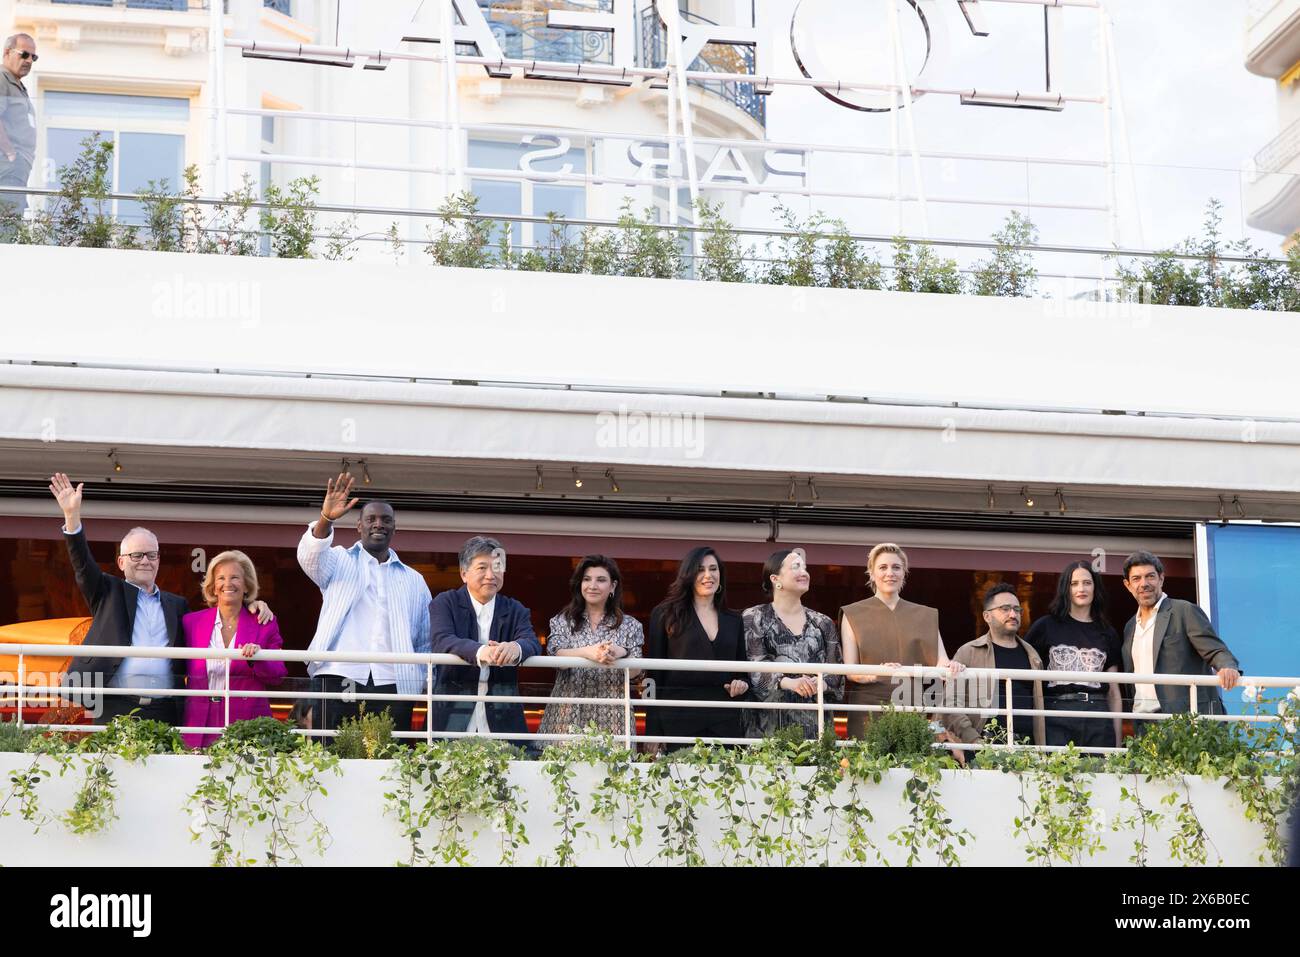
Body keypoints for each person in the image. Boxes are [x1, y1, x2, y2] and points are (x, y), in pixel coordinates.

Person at [48, 472, 272, 724]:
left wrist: (249, 603)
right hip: (116, 706)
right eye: (137, 555)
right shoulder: (107, 592)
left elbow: (212, 620)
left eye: (152, 555)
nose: (145, 560)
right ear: (121, 562)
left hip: (166, 709)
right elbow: (82, 564)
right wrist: (71, 516)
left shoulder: (177, 605)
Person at [298, 472, 431, 736]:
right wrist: (326, 518)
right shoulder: (338, 561)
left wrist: (426, 684)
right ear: (359, 526)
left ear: (394, 528)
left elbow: (425, 639)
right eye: (371, 519)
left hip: (395, 681)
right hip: (338, 674)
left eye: (386, 520)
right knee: (332, 757)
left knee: (389, 764)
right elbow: (310, 557)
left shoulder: (415, 580)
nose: (378, 524)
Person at [840, 543, 963, 739]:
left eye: (896, 567)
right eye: (883, 567)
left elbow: (942, 662)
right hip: (867, 708)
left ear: (904, 573)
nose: (890, 573)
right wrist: (876, 674)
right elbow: (851, 670)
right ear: (871, 573)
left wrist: (953, 666)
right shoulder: (852, 613)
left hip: (911, 706)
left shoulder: (925, 615)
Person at [429, 535, 542, 745]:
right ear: (464, 573)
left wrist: (515, 648)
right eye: (482, 567)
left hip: (502, 714)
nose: (491, 575)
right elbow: (442, 639)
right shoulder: (445, 602)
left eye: (497, 567)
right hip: (454, 710)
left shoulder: (514, 608)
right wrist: (482, 652)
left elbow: (532, 642)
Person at [644, 546, 749, 750]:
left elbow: (743, 672)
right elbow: (652, 676)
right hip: (678, 723)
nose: (708, 575)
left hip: (725, 725)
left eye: (713, 569)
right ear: (689, 575)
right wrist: (652, 731)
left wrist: (741, 684)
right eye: (700, 570)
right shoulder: (665, 614)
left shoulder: (734, 620)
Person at [180, 550, 286, 749]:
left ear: (246, 585)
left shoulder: (264, 622)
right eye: (221, 578)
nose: (227, 583)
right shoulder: (191, 622)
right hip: (200, 722)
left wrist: (257, 658)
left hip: (249, 723)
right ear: (213, 587)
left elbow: (279, 674)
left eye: (235, 577)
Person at [1121, 550, 1240, 724]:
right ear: (1128, 585)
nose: (1144, 583)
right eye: (1136, 578)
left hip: (1184, 721)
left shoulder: (1184, 611)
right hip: (1144, 722)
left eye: (1150, 576)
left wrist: (1227, 666)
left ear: (1161, 578)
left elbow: (1215, 649)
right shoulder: (1130, 626)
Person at [538, 555, 644, 738]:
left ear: (613, 586)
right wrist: (589, 652)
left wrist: (621, 652)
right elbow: (556, 657)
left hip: (613, 718)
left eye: (601, 580)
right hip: (566, 715)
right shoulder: (562, 620)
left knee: (612, 766)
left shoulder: (630, 625)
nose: (592, 585)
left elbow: (637, 671)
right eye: (587, 579)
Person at [743, 548, 843, 740]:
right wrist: (788, 682)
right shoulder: (754, 617)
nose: (804, 572)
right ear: (775, 579)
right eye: (796, 567)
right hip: (769, 726)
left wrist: (821, 682)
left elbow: (836, 671)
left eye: (805, 568)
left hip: (816, 723)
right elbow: (754, 666)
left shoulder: (823, 622)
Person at [1024, 561, 1123, 749]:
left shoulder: (1107, 632)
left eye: (1087, 582)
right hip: (1056, 714)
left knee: (1100, 775)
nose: (1081, 588)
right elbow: (1027, 676)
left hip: (1098, 717)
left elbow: (1113, 690)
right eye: (1074, 583)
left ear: (1095, 587)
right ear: (1065, 588)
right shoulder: (1046, 626)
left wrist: (1118, 743)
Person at [944, 583, 1046, 748]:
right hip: (983, 748)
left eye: (1017, 609)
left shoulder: (1032, 655)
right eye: (1005, 609)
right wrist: (974, 741)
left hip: (1027, 749)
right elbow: (951, 702)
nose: (1013, 614)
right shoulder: (969, 651)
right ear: (987, 616)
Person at [0, 34, 36, 232]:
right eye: (24, 54)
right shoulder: (2, 79)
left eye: (33, 57)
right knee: (6, 228)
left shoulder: (18, 86)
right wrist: (11, 154)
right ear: (7, 52)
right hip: (8, 167)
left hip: (16, 168)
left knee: (12, 222)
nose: (29, 60)